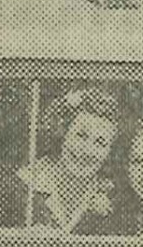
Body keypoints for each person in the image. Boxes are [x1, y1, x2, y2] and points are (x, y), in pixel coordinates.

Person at [20, 89, 120, 233]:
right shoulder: (25, 185)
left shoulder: (111, 199)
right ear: (63, 133)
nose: (87, 151)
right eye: (81, 135)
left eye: (100, 143)